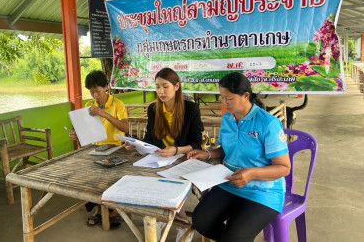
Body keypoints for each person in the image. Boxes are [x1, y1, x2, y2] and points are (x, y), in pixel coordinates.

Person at [188, 72, 291, 242]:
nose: (224, 103)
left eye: (229, 98)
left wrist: (251, 173)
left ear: (246, 96)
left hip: (263, 191)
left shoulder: (268, 123)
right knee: (201, 221)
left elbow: (284, 167)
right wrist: (207, 154)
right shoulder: (228, 118)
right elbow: (225, 150)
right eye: (222, 98)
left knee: (234, 237)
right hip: (230, 183)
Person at [124, 67, 204, 242]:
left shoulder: (191, 109)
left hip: (184, 159)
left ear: (176, 87)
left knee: (170, 185)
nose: (161, 91)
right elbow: (149, 139)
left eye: (165, 86)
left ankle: (179, 223)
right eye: (158, 87)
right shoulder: (154, 109)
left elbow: (197, 144)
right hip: (160, 160)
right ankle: (166, 219)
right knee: (146, 182)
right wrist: (136, 145)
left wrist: (176, 150)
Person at [69, 70, 129, 229]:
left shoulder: (117, 105)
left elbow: (125, 127)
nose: (95, 95)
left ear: (106, 87)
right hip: (97, 149)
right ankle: (99, 210)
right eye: (92, 92)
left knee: (112, 180)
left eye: (98, 91)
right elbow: (85, 132)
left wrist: (104, 114)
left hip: (117, 148)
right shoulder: (89, 106)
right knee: (92, 179)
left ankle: (114, 211)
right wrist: (77, 135)